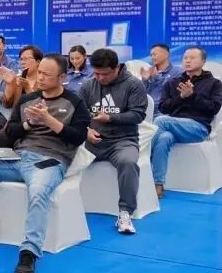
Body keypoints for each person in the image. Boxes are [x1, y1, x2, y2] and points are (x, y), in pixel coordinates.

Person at [0, 55, 91, 273]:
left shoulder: (75, 103)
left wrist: (48, 120)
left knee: (37, 193)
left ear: (62, 78)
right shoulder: (29, 99)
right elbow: (10, 132)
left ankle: (29, 252)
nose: (41, 78)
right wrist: (29, 123)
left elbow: (77, 137)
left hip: (49, 161)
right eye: (40, 73)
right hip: (17, 158)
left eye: (47, 74)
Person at [78, 48, 148, 234]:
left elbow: (138, 115)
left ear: (117, 67)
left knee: (128, 162)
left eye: (105, 74)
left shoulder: (134, 85)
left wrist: (110, 118)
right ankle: (63, 205)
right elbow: (77, 115)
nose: (100, 78)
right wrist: (86, 131)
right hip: (92, 141)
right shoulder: (88, 85)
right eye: (97, 73)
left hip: (122, 140)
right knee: (61, 153)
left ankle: (125, 213)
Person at [150, 47, 222, 197]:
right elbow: (163, 107)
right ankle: (158, 184)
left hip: (198, 127)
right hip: (173, 124)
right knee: (164, 138)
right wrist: (181, 97)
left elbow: (213, 108)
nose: (187, 61)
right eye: (185, 58)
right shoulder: (172, 83)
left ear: (203, 61)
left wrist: (193, 96)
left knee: (161, 120)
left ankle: (139, 158)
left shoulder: (214, 83)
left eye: (192, 58)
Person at [140, 43, 184, 118]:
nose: (152, 57)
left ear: (166, 55)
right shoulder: (150, 72)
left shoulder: (178, 72)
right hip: (147, 110)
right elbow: (144, 94)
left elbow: (173, 93)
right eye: (151, 55)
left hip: (165, 112)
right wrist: (145, 80)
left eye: (155, 54)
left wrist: (157, 78)